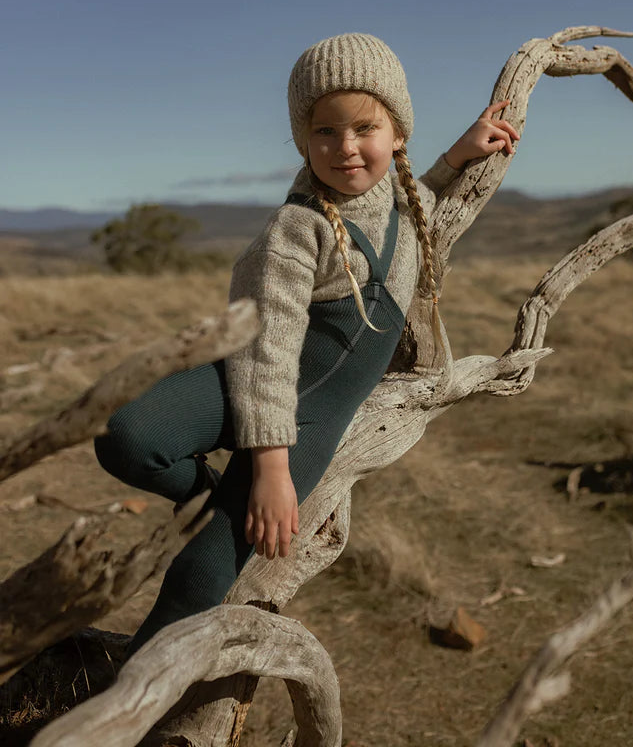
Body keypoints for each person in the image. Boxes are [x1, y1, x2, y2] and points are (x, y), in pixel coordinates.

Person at [95, 33, 519, 653]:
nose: (345, 147)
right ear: (303, 139)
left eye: (365, 128)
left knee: (206, 567)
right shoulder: (298, 229)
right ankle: (215, 498)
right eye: (324, 131)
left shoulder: (399, 195)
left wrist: (457, 155)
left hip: (315, 411)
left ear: (397, 133)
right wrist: (268, 470)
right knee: (126, 435)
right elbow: (267, 350)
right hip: (258, 375)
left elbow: (412, 200)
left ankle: (132, 690)